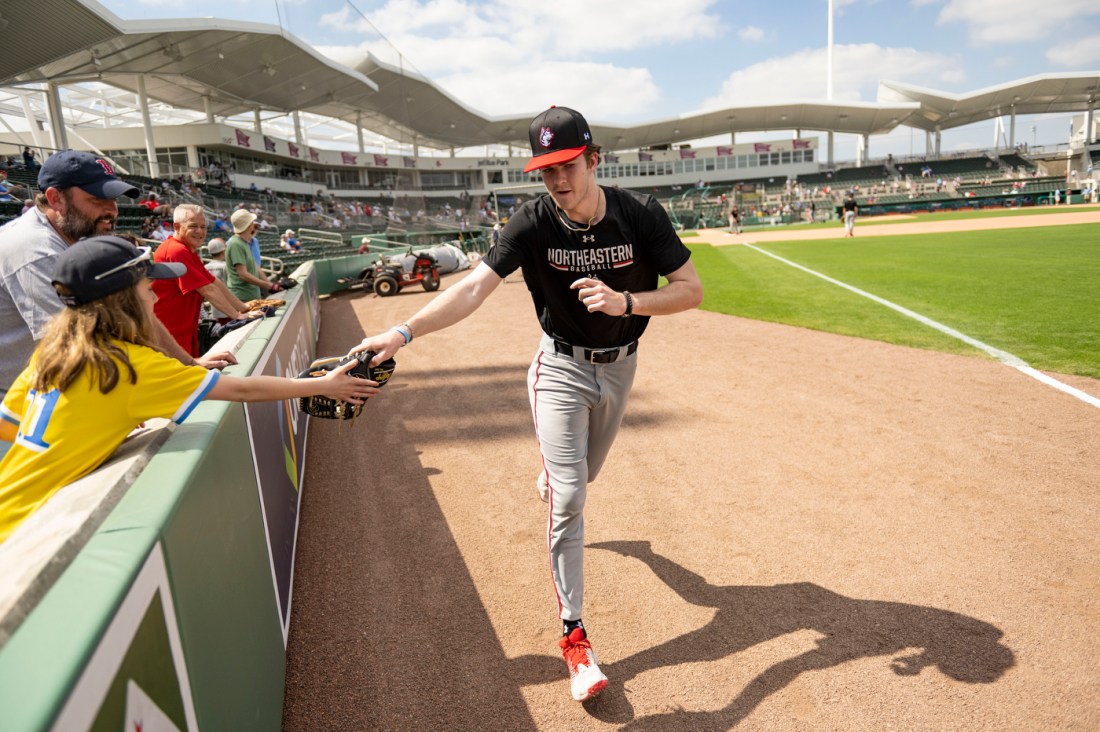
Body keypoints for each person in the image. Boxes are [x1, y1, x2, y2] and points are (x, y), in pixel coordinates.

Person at [349, 105, 703, 703]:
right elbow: (473, 290)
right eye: (546, 171)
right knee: (571, 495)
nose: (558, 181)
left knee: (581, 475)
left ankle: (556, 472)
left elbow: (690, 291)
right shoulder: (533, 222)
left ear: (593, 158)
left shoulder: (639, 214)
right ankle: (575, 638)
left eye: (567, 166)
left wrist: (626, 304)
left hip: (620, 369)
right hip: (560, 368)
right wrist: (401, 334)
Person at [0, 235, 378, 544]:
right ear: (125, 300)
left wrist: (89, 432)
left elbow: (7, 423)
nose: (154, 296)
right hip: (27, 535)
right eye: (148, 287)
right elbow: (242, 391)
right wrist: (323, 384)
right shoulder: (131, 366)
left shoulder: (54, 352)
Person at [0, 151, 231, 395]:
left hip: (49, 393)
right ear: (56, 199)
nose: (112, 210)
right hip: (17, 411)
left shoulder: (76, 234)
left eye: (114, 199)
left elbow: (136, 310)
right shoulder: (37, 250)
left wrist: (188, 363)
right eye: (97, 199)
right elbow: (83, 341)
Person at [152, 204, 262, 357]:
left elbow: (214, 282)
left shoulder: (184, 248)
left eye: (203, 227)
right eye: (193, 226)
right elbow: (207, 290)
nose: (200, 231)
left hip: (182, 330)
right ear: (176, 226)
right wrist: (236, 315)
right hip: (171, 334)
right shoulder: (176, 250)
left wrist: (242, 307)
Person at [226, 210, 281, 302]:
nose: (253, 224)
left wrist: (272, 286)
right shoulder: (235, 244)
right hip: (243, 298)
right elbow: (243, 274)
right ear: (248, 225)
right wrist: (269, 285)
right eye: (251, 222)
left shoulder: (244, 242)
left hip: (251, 296)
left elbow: (256, 268)